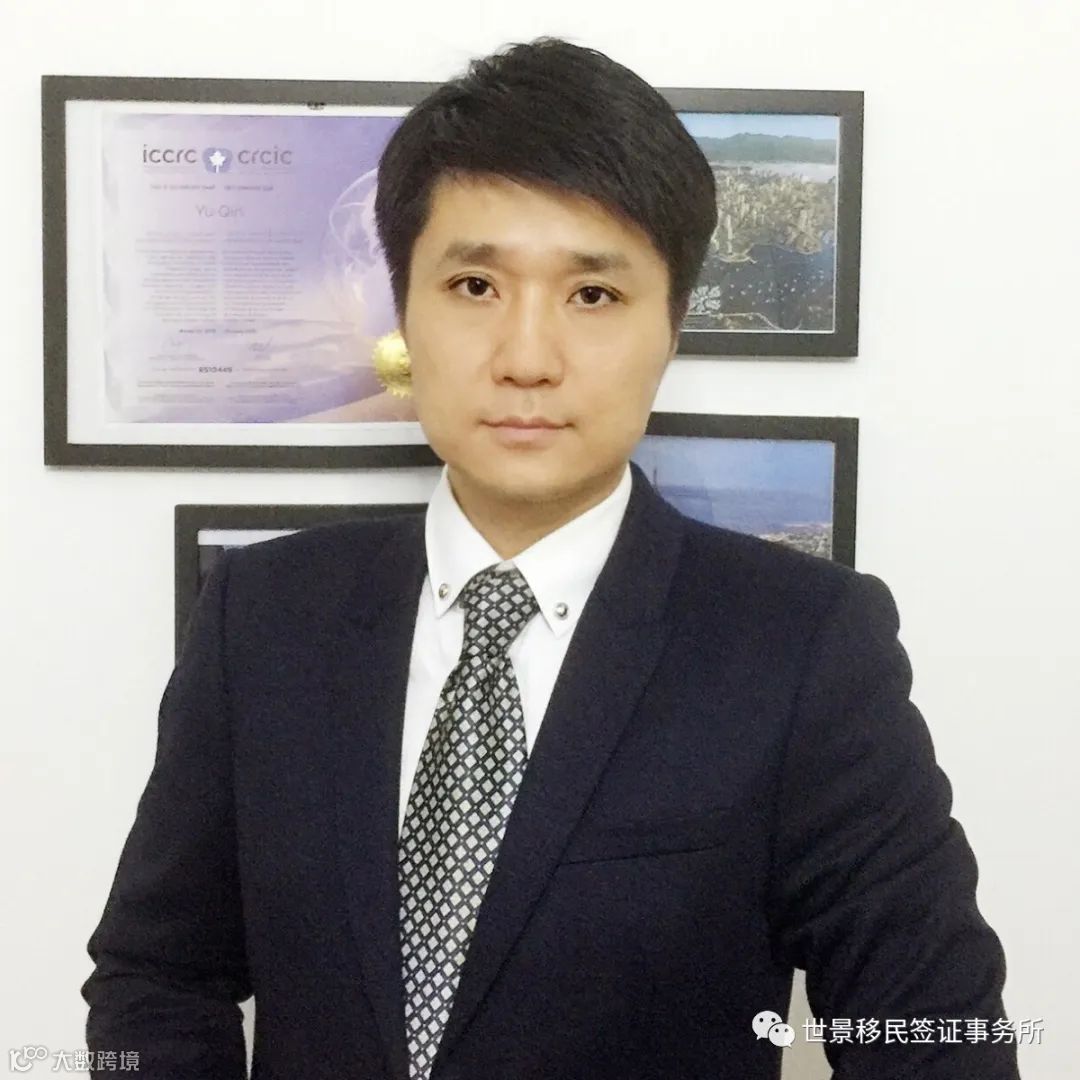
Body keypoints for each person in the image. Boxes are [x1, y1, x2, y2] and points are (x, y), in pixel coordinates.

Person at [82, 36, 1019, 1080]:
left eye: (593, 296)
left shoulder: (801, 646)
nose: (527, 358)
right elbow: (155, 975)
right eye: (475, 285)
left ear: (673, 327)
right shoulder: (264, 615)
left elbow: (934, 1033)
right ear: (404, 312)